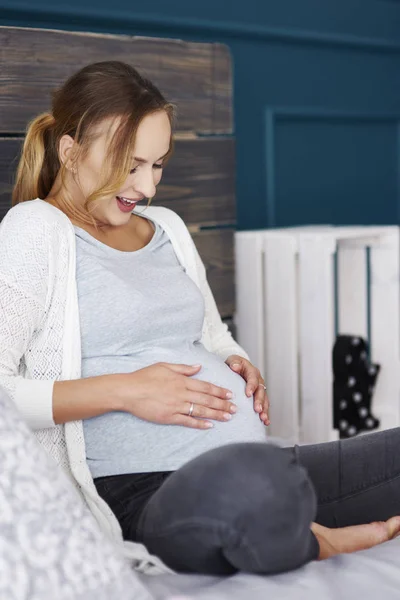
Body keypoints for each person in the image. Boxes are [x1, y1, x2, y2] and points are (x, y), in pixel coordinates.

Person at [2, 60, 400, 576]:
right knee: (257, 487)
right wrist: (126, 390)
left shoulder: (166, 227)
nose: (145, 186)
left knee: (282, 475)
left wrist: (236, 361)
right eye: (130, 163)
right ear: (71, 152)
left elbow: (210, 333)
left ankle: (282, 517)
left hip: (247, 463)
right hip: (144, 490)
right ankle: (308, 536)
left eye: (158, 164)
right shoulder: (36, 230)